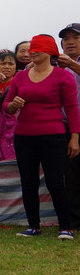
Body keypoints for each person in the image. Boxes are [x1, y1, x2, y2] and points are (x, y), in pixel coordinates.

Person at [4, 34, 80, 240]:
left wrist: (74, 137)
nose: (32, 52)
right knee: (28, 182)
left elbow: (72, 108)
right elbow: (6, 105)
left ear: (50, 51)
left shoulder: (63, 76)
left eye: (38, 49)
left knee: (56, 182)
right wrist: (13, 105)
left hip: (53, 135)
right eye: (31, 49)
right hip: (24, 136)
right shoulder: (20, 76)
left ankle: (66, 226)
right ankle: (33, 226)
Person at [57, 23, 80, 229]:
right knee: (70, 175)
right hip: (63, 126)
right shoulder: (56, 67)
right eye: (65, 39)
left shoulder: (71, 66)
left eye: (75, 37)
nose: (70, 42)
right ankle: (73, 220)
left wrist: (73, 65)